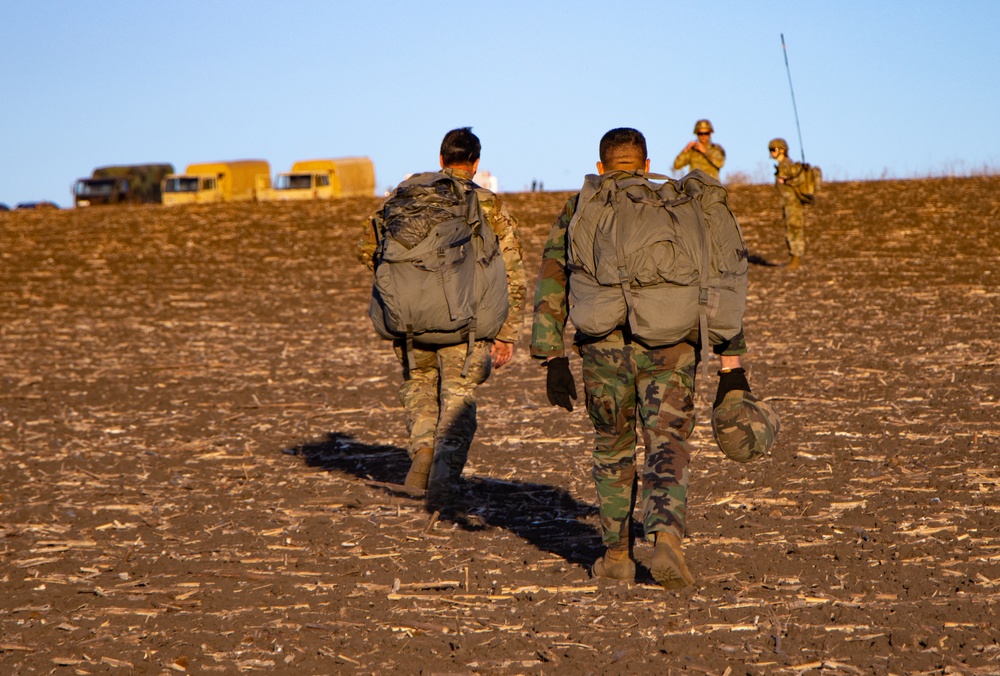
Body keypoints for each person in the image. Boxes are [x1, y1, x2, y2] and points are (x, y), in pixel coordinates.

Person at [531, 128, 749, 589]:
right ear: (647, 166)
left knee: (613, 447)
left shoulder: (581, 207)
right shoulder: (675, 206)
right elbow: (717, 280)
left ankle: (616, 555)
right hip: (671, 343)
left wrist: (552, 358)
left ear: (600, 166)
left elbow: (553, 279)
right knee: (667, 441)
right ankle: (667, 538)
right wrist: (733, 363)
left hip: (603, 347)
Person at [359, 128, 526, 507]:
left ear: (441, 160)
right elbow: (512, 270)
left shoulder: (401, 200)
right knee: (458, 399)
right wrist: (507, 332)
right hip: (466, 325)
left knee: (418, 388)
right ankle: (443, 481)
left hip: (410, 324)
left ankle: (421, 452)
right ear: (476, 163)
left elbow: (367, 251)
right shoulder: (487, 205)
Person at [769, 137, 807, 270]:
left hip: (793, 203)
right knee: (791, 229)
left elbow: (795, 179)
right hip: (788, 203)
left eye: (774, 149)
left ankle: (795, 260)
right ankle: (793, 259)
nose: (772, 152)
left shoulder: (787, 165)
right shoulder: (782, 166)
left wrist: (785, 182)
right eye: (771, 150)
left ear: (783, 150)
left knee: (795, 230)